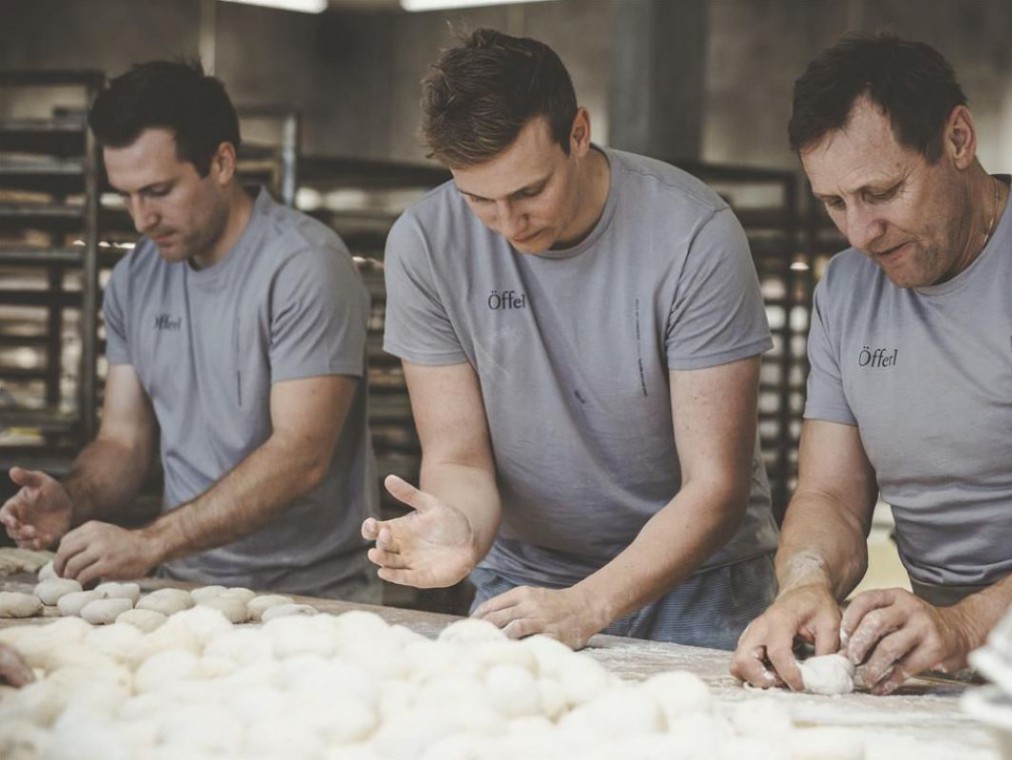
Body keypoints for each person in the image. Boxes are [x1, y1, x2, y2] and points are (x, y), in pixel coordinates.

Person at [732, 34, 1012, 694]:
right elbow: (830, 496)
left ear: (957, 139)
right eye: (835, 204)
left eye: (882, 192)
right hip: (948, 661)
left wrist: (972, 624)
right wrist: (806, 581)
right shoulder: (845, 290)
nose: (860, 234)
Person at [363, 28, 779, 650]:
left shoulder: (693, 236)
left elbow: (716, 487)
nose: (507, 224)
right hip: (524, 579)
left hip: (700, 585)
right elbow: (459, 456)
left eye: (529, 191)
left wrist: (589, 605)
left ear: (578, 133)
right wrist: (464, 530)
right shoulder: (425, 244)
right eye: (478, 198)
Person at [0, 61, 378, 598]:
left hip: (313, 592)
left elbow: (302, 455)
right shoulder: (135, 278)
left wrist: (149, 543)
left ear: (222, 162)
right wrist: (74, 497)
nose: (140, 219)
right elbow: (123, 440)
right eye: (125, 195)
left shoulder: (304, 265)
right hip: (186, 586)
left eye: (157, 190)